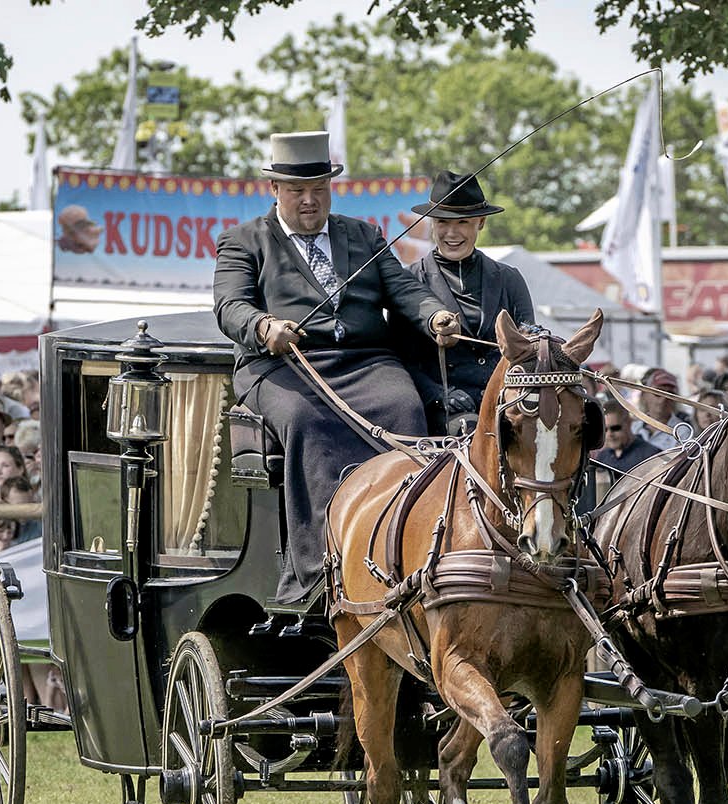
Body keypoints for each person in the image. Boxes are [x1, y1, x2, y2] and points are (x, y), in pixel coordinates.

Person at [212, 130, 460, 603]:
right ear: (275, 191)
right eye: (298, 191)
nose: (310, 201)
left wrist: (434, 315)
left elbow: (404, 290)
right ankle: (319, 566)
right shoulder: (243, 242)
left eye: (319, 190)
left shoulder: (363, 235)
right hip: (286, 367)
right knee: (307, 421)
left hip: (367, 363)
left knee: (405, 408)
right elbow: (229, 306)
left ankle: (403, 549)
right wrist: (264, 327)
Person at [394, 170, 534, 433]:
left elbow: (527, 348)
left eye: (463, 223)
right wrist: (438, 394)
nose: (451, 233)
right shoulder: (410, 280)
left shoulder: (510, 279)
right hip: (445, 413)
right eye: (442, 223)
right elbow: (402, 358)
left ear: (480, 222)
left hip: (505, 403)